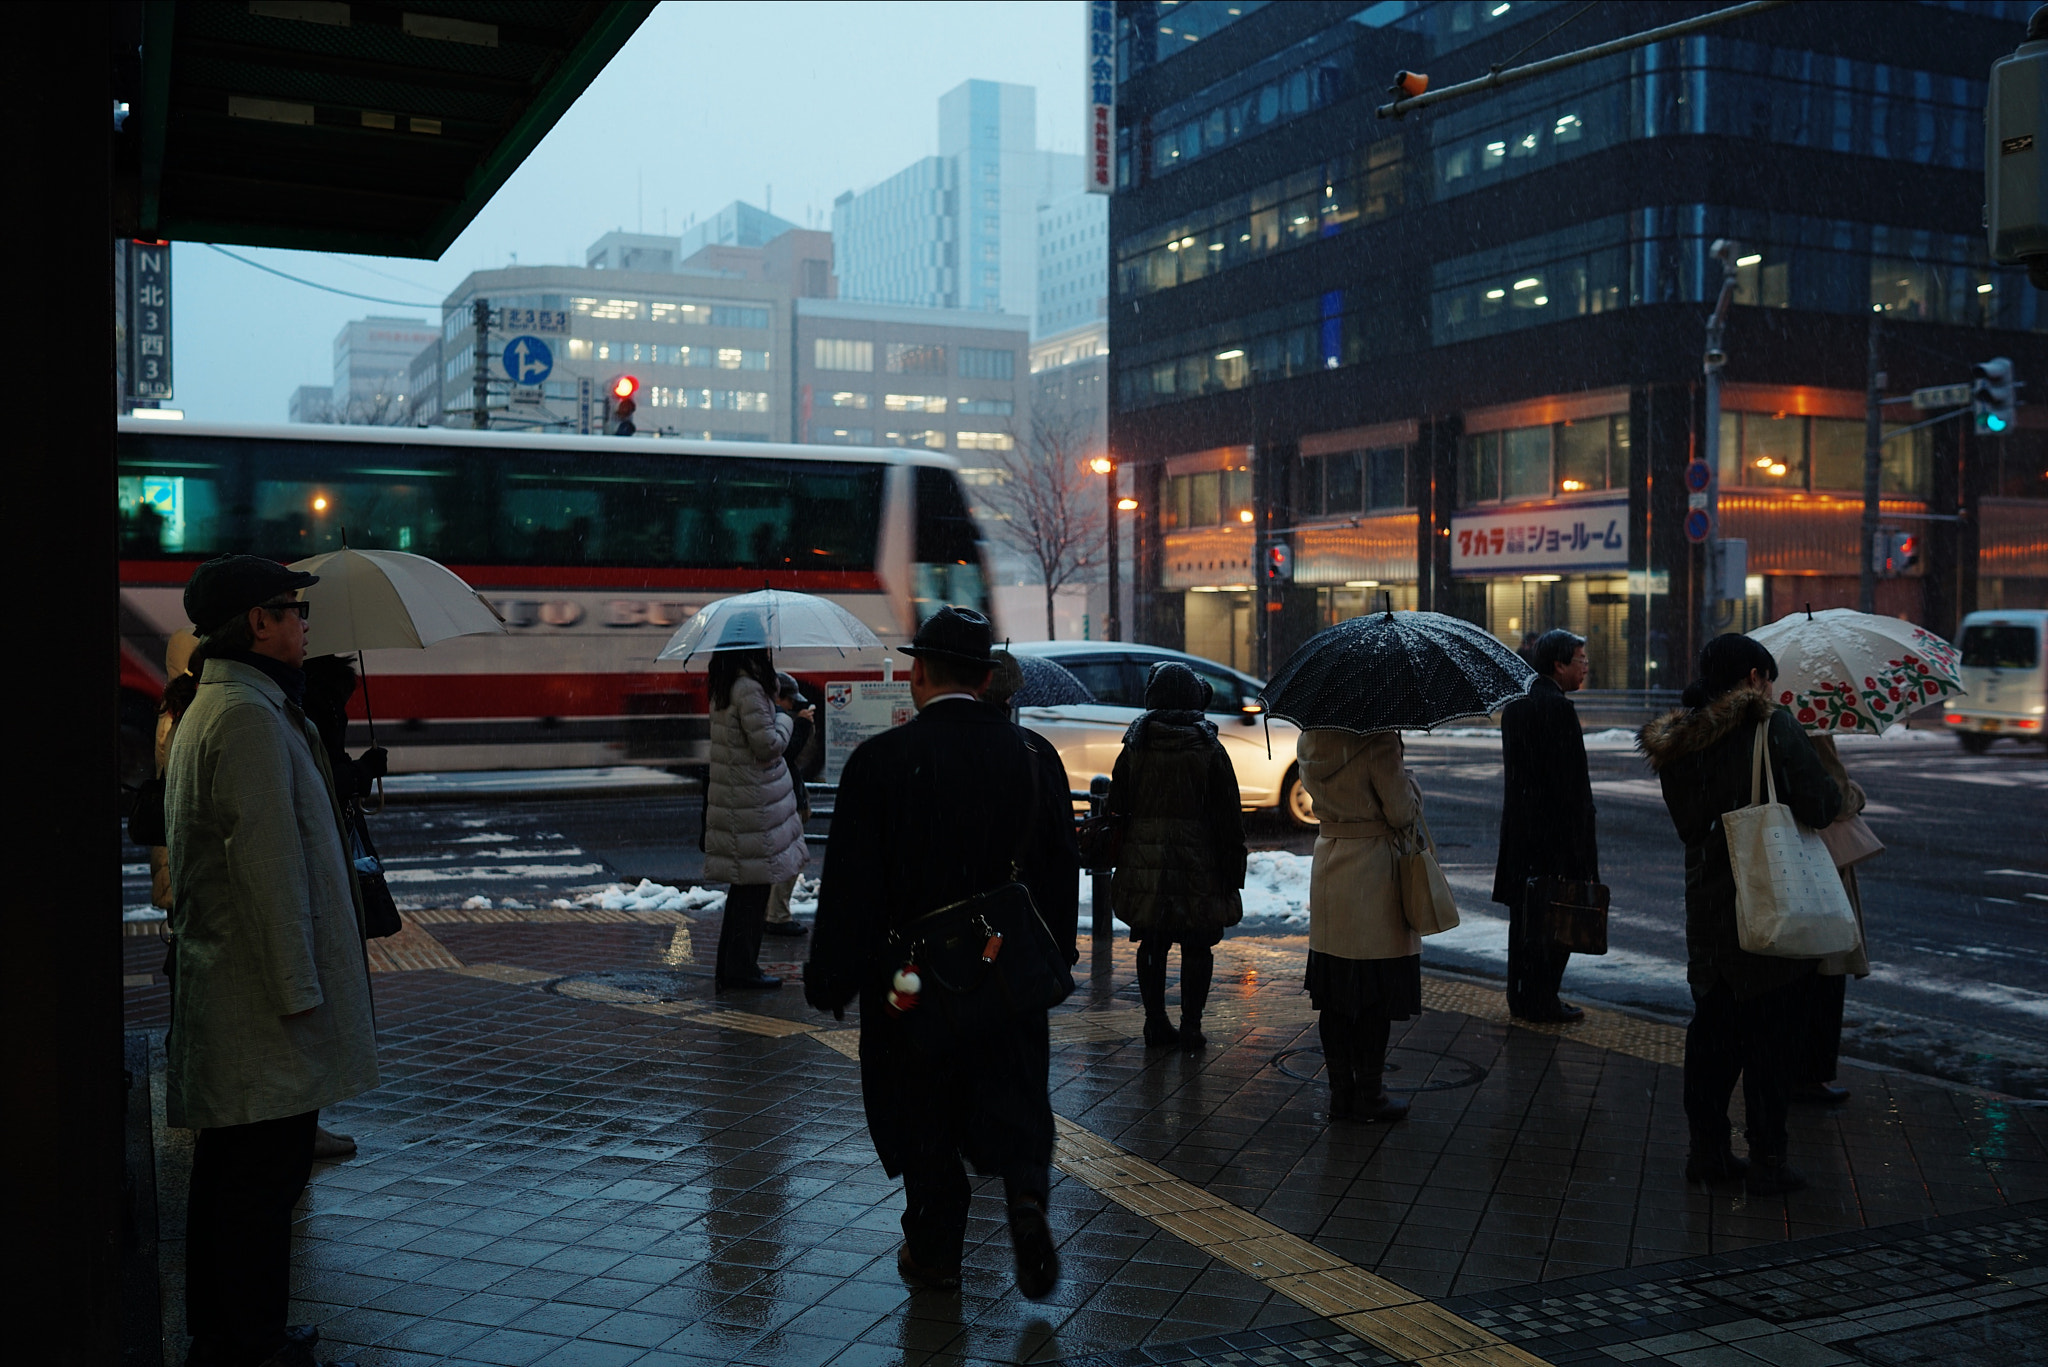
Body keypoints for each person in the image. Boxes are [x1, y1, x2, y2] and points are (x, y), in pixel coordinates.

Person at [803, 606, 1080, 1299]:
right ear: (988, 676)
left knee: (919, 1110)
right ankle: (1024, 1195)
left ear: (917, 674)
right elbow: (1057, 871)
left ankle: (934, 1247)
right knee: (1014, 1095)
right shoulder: (1031, 757)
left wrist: (834, 972)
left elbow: (853, 884)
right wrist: (1055, 959)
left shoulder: (884, 761)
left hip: (912, 982)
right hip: (1005, 972)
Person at [165, 554, 379, 1367]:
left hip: (243, 995)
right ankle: (248, 1342)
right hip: (264, 1002)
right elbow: (268, 871)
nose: (304, 622)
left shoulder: (234, 705)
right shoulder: (249, 718)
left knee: (232, 1180)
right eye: (294, 609)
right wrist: (301, 992)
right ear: (258, 620)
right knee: (258, 1186)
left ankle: (224, 1333)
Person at [1638, 633, 1840, 1196]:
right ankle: (1770, 1159)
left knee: (1713, 1034)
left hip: (1709, 904)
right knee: (1772, 1039)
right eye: (1768, 678)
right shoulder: (1773, 728)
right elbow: (1821, 806)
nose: (1771, 688)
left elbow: (1690, 824)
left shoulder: (1676, 743)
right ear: (1753, 677)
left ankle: (1707, 1152)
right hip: (1769, 897)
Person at [1107, 661, 1247, 1051]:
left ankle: (1155, 1023)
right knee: (1197, 944)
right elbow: (1228, 816)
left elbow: (1117, 803)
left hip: (1145, 861)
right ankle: (1191, 1026)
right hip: (1198, 863)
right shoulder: (1208, 748)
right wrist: (1233, 866)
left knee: (1152, 942)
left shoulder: (1136, 745)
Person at [1296, 727, 1430, 1123]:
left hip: (1330, 864)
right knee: (1374, 995)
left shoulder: (1311, 739)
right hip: (1372, 872)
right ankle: (1370, 1094)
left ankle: (1341, 1094)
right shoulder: (1378, 739)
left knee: (1336, 994)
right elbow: (1402, 811)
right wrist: (1409, 779)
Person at [1494, 628, 1599, 1023]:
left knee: (1524, 924)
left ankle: (1522, 997)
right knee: (1556, 924)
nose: (1585, 669)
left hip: (1522, 836)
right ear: (1559, 664)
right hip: (1555, 839)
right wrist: (1583, 848)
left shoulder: (1518, 703)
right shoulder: (1558, 708)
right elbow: (1573, 789)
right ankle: (1544, 1001)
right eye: (1581, 661)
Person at [703, 623, 807, 988]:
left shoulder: (726, 683)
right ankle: (741, 970)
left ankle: (732, 968)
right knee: (753, 891)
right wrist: (785, 717)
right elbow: (767, 745)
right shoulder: (748, 688)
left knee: (744, 890)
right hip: (752, 804)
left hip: (739, 801)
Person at [1793, 734, 1872, 1105]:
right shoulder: (1807, 728)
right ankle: (1810, 1075)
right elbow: (1836, 800)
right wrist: (1858, 793)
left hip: (1779, 858)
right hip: (1818, 861)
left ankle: (1781, 1069)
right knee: (1826, 970)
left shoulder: (1748, 726)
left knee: (1788, 977)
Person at [763, 673, 817, 941]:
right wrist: (804, 727)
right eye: (787, 700)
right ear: (776, 697)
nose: (790, 706)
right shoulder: (772, 720)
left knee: (782, 858)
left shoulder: (766, 718)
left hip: (779, 797)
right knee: (791, 857)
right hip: (781, 799)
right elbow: (786, 754)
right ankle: (777, 916)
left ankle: (773, 914)